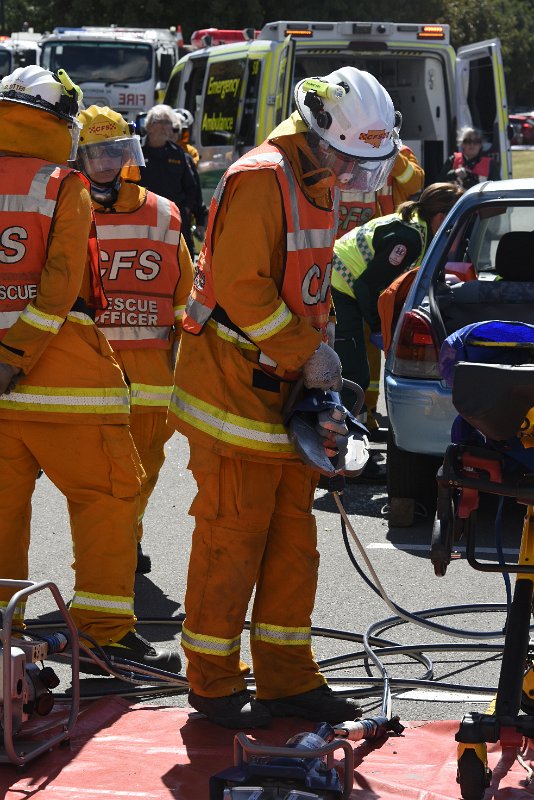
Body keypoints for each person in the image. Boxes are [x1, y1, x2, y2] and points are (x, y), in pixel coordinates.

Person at [167, 66, 401, 728]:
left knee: (293, 545)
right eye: (349, 160)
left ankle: (287, 679)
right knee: (231, 541)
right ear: (320, 133)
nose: (354, 177)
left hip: (285, 391)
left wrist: (313, 365)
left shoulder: (315, 178)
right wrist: (309, 355)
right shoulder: (259, 176)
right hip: (232, 394)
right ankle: (211, 684)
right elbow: (244, 292)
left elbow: (305, 289)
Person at [0, 65, 181, 673]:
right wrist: (16, 354)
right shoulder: (61, 185)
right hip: (62, 381)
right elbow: (58, 288)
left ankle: (4, 633)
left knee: (1, 513)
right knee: (110, 494)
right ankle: (104, 633)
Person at [75, 105, 194, 575]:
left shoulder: (164, 214)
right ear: (77, 159)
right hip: (88, 372)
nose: (105, 164)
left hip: (150, 380)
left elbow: (185, 299)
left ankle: (128, 538)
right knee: (96, 478)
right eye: (94, 154)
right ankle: (108, 550)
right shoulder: (67, 210)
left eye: (113, 152)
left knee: (143, 473)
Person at [331, 182, 464, 418]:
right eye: (452, 222)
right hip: (338, 288)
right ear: (441, 216)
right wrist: (377, 326)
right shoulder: (409, 239)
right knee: (353, 370)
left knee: (355, 366)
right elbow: (367, 286)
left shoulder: (418, 229)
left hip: (342, 287)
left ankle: (354, 427)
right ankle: (348, 439)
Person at [337, 143, 425, 447]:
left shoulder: (399, 151)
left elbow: (414, 182)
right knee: (347, 345)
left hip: (384, 255)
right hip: (348, 257)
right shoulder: (339, 147)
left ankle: (366, 411)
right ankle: (348, 413)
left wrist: (388, 148)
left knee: (368, 348)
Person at [139, 104, 198, 257]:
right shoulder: (137, 151)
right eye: (162, 122)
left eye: (169, 123)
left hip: (175, 219)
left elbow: (191, 187)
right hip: (144, 219)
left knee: (181, 261)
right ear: (150, 126)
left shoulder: (178, 154)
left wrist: (185, 209)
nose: (167, 128)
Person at [170, 110, 207, 253]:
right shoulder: (148, 153)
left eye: (178, 131)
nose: (175, 134)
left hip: (181, 217)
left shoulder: (187, 155)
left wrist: (199, 221)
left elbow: (194, 190)